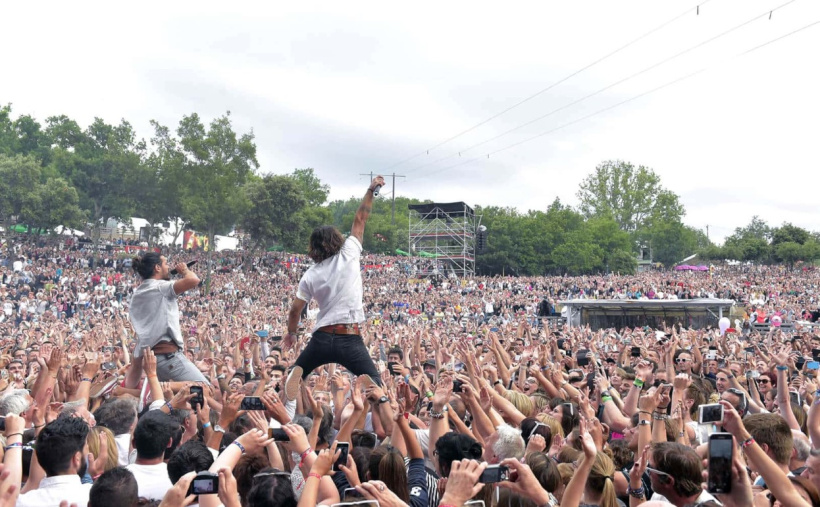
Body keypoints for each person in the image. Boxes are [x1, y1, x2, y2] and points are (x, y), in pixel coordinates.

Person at [282, 176, 386, 400]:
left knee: (297, 373)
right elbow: (360, 218)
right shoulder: (349, 251)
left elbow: (294, 311)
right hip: (349, 337)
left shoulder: (310, 274)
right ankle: (369, 395)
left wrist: (291, 333)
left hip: (321, 338)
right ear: (337, 239)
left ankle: (295, 379)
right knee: (376, 384)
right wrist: (371, 190)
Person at [126, 252, 206, 383]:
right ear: (157, 268)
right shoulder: (159, 287)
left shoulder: (139, 292)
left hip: (152, 358)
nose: (169, 267)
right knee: (205, 389)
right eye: (166, 263)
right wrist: (184, 270)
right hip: (167, 356)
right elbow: (193, 280)